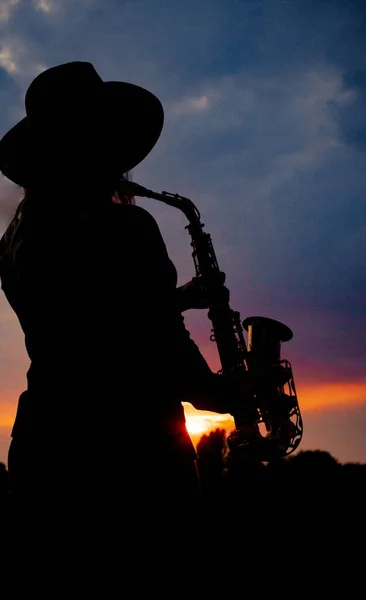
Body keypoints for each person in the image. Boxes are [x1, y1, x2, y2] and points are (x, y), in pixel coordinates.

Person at [0, 62, 244, 587]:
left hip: (48, 450)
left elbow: (87, 325)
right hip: (134, 458)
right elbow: (150, 340)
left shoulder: (18, 240)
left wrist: (175, 298)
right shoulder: (129, 228)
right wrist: (224, 394)